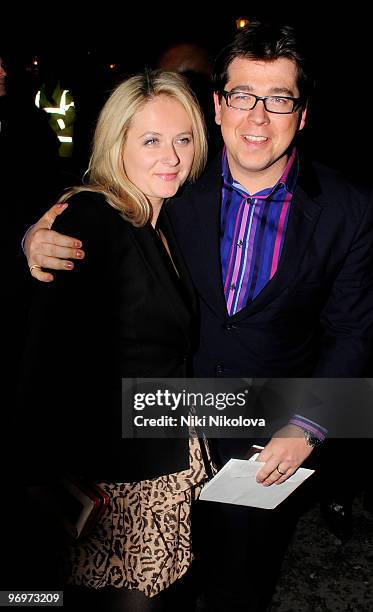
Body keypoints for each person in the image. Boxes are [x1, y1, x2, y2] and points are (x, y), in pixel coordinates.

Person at [23, 20, 373, 611]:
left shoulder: (350, 209)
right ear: (218, 105)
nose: (258, 117)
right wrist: (32, 235)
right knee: (152, 586)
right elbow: (103, 200)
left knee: (242, 586)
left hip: (266, 436)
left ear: (302, 114)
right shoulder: (177, 177)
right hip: (157, 428)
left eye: (279, 99)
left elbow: (355, 332)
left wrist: (310, 427)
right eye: (242, 96)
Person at [17, 69, 210, 612]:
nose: (171, 157)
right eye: (151, 140)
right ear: (116, 143)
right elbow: (42, 355)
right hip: (118, 480)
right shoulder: (92, 219)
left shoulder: (156, 215)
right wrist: (33, 477)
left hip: (157, 455)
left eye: (183, 139)